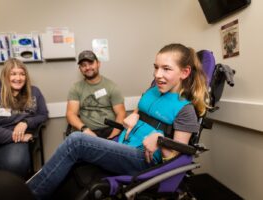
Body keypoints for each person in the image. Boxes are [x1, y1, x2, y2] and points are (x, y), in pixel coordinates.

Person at [27, 43, 210, 199]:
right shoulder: (153, 91)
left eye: (166, 69)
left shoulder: (185, 109)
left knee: (76, 141)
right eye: (156, 67)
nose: (157, 74)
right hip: (124, 144)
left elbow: (177, 160)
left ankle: (28, 194)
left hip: (144, 159)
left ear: (185, 72)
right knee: (75, 148)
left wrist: (161, 142)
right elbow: (142, 110)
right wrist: (135, 114)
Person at [66, 50, 126, 139]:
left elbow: (121, 113)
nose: (87, 67)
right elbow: (71, 114)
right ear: (80, 69)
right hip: (86, 132)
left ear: (98, 64)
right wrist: (85, 129)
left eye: (91, 63)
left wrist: (113, 135)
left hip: (110, 131)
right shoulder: (76, 88)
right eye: (83, 65)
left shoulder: (111, 87)